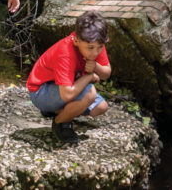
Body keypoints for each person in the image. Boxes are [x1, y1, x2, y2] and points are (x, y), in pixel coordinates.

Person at [26, 10, 111, 145]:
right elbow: (67, 94)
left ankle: (55, 110)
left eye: (99, 47)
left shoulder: (95, 41)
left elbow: (106, 73)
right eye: (90, 48)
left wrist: (95, 66)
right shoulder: (65, 53)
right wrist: (89, 77)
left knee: (101, 107)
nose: (95, 52)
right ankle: (60, 122)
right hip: (40, 91)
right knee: (90, 93)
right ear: (76, 40)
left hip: (62, 88)